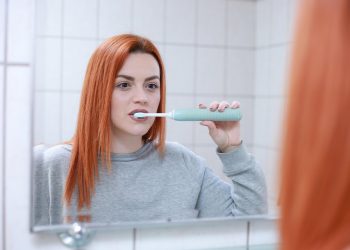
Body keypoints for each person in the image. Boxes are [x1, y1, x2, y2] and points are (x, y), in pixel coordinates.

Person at [34, 34, 267, 225]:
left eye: (151, 86)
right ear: (98, 92)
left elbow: (246, 227)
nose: (142, 98)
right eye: (124, 85)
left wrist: (233, 148)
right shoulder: (52, 166)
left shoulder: (184, 164)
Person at [279, 0, 350, 249]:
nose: (147, 98)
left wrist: (233, 151)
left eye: (153, 85)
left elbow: (247, 216)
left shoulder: (190, 166)